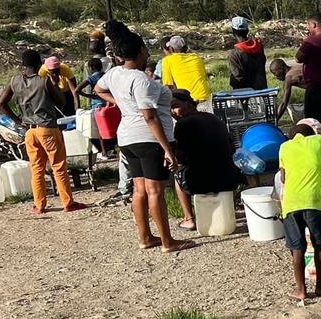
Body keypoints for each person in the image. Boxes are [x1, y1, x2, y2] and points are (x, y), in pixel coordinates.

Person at [99, 19, 192, 252]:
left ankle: (145, 237)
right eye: (145, 50)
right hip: (148, 140)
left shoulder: (115, 74)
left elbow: (98, 90)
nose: (147, 53)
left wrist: (121, 103)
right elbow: (150, 117)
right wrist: (168, 150)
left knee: (139, 190)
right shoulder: (141, 80)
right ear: (140, 51)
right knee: (155, 191)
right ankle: (168, 242)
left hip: (127, 138)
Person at [0, 49, 86, 215]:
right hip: (47, 128)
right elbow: (61, 101)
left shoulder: (15, 81)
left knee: (37, 169)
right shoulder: (44, 82)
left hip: (29, 131)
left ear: (23, 64)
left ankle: (39, 205)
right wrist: (55, 84)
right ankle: (68, 203)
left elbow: (1, 104)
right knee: (58, 166)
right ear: (39, 64)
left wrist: (18, 120)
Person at [169, 89, 243, 228]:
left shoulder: (182, 124)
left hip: (202, 181)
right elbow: (231, 148)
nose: (172, 112)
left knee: (177, 172)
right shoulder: (213, 118)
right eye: (170, 109)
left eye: (175, 106)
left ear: (189, 104)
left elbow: (180, 157)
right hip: (229, 177)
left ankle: (189, 218)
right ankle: (228, 209)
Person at [277, 122, 321, 302]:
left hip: (291, 203)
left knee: (297, 248)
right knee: (319, 244)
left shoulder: (284, 147)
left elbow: (283, 177)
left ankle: (301, 290)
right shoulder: (318, 141)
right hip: (314, 201)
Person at [285, 13, 321, 147]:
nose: (307, 27)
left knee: (312, 120)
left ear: (314, 24)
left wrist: (306, 41)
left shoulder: (311, 41)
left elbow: (298, 58)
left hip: (316, 85)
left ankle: (314, 146)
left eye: (308, 24)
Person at [161, 35, 213, 113]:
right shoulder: (196, 57)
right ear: (186, 47)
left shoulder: (167, 60)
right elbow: (203, 76)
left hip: (187, 100)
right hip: (204, 97)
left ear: (171, 49)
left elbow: (168, 86)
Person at [227, 16, 268, 91]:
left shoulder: (234, 54)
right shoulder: (259, 46)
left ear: (233, 32)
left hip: (246, 94)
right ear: (247, 30)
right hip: (262, 91)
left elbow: (237, 79)